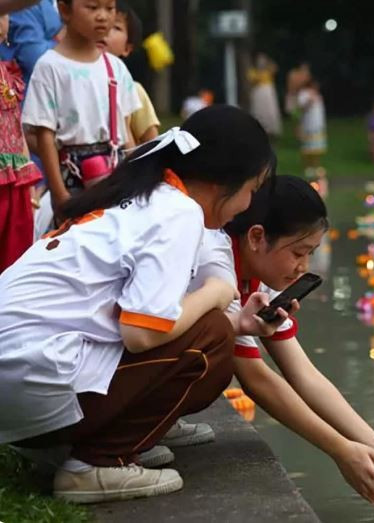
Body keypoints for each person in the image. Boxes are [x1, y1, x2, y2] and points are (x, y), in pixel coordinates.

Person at [0, 105, 283, 504]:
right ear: (225, 181)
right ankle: (95, 463)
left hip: (15, 390)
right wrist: (219, 294)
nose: (249, 203)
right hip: (31, 387)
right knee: (214, 338)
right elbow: (141, 333)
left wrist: (235, 317)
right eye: (252, 189)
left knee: (217, 325)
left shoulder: (143, 196)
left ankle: (67, 447)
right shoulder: (177, 213)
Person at [190, 175, 374, 510]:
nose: (304, 267)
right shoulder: (218, 268)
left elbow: (304, 374)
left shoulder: (261, 278)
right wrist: (340, 449)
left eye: (312, 254)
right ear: (257, 237)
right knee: (216, 359)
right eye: (299, 253)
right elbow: (256, 378)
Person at [23, 0, 141, 224]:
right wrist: (60, 196)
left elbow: (125, 133)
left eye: (109, 9)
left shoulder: (115, 68)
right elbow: (45, 135)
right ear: (65, 10)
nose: (103, 16)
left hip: (114, 175)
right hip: (71, 177)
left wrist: (137, 178)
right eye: (92, 8)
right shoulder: (50, 66)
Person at [0, 11, 41, 273]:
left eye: (2, 13)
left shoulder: (8, 71)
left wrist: (29, 182)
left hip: (15, 180)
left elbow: (16, 124)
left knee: (13, 261)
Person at [101, 0, 159, 145]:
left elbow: (151, 143)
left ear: (127, 48)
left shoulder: (134, 89)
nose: (105, 29)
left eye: (116, 27)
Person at [247, 52, 282, 138]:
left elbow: (275, 68)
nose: (261, 62)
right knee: (259, 113)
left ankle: (271, 131)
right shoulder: (252, 71)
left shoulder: (268, 70)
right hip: (259, 95)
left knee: (270, 112)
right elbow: (253, 80)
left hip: (268, 95)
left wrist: (268, 63)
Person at [297, 78, 327, 177]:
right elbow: (301, 108)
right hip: (308, 125)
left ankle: (316, 166)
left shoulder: (318, 95)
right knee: (307, 148)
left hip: (317, 124)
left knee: (316, 148)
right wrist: (309, 101)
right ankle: (307, 167)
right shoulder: (303, 94)